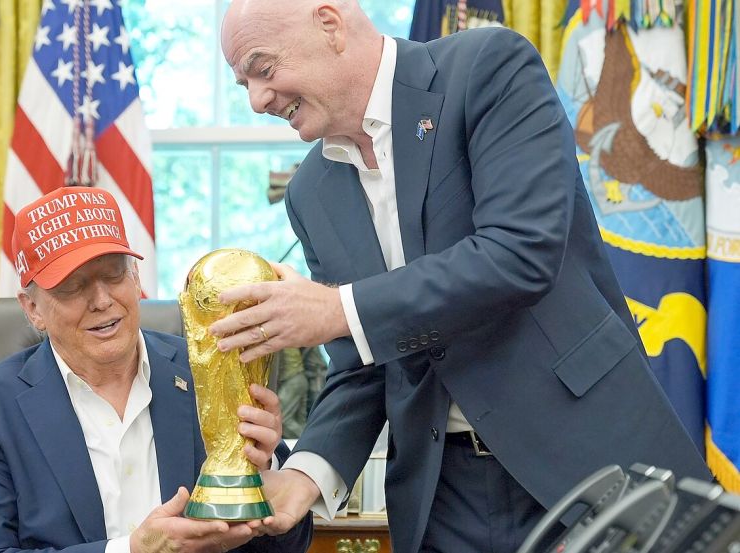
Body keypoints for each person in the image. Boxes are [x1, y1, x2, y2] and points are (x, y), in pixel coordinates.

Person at [213, 1, 711, 552]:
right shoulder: (311, 193)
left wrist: (335, 310)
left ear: (329, 26)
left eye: (263, 69)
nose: (258, 100)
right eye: (243, 85)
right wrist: (304, 477)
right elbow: (362, 362)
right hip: (439, 500)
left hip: (586, 464)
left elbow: (519, 253)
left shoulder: (488, 68)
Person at [0, 186, 312, 553]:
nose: (102, 301)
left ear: (136, 279)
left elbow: (290, 545)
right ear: (32, 309)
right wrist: (132, 550)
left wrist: (266, 474)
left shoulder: (213, 370)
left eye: (115, 274)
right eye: (74, 287)